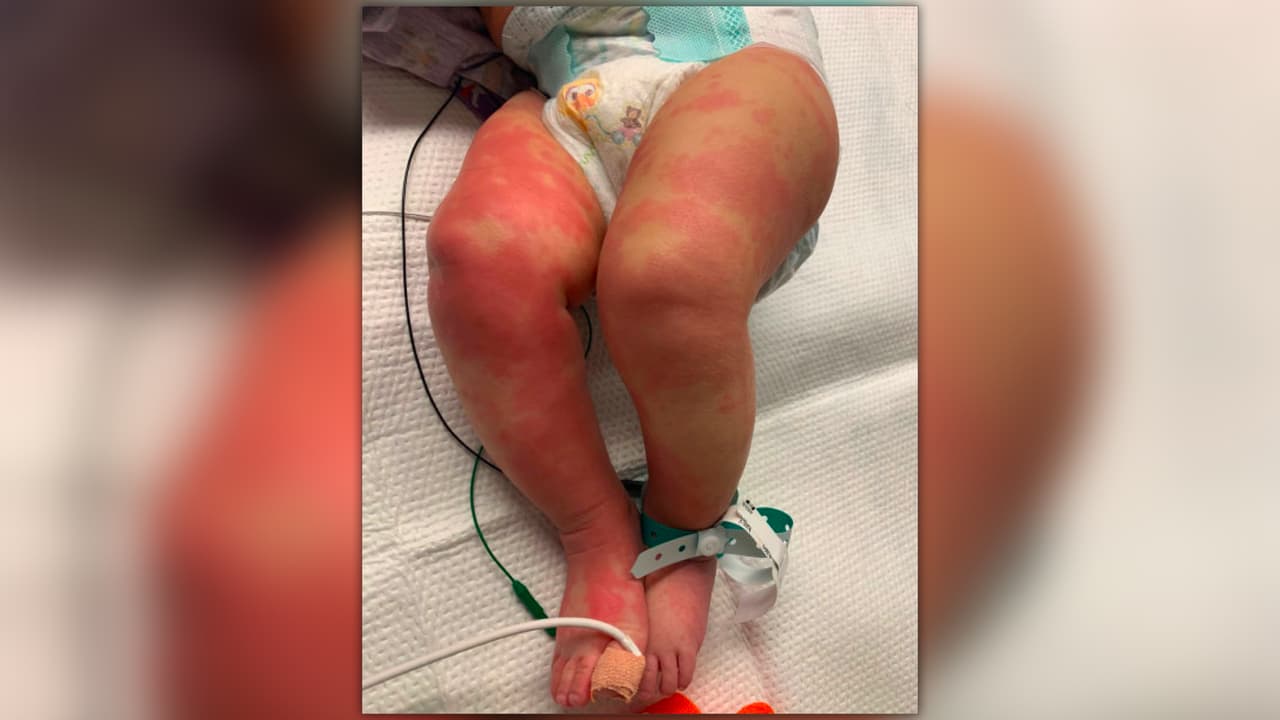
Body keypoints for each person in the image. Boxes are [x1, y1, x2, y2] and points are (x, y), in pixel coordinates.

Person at [426, 5, 838, 707]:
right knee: (478, 259)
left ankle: (686, 529)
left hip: (735, 74)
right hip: (568, 107)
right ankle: (594, 530)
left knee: (668, 276)